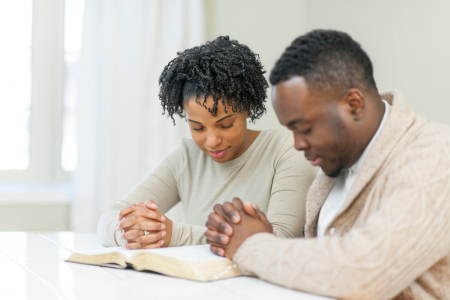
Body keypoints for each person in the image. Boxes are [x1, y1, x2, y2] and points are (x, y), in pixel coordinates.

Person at [205, 30, 450, 299]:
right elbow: (326, 263)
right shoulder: (337, 163)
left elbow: (361, 273)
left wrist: (253, 245)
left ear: (354, 104)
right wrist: (261, 236)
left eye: (306, 128)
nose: (297, 144)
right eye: (291, 130)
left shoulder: (436, 157)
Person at [97, 36, 317, 249]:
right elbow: (110, 217)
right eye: (198, 128)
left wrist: (176, 235)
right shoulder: (186, 157)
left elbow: (279, 240)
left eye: (225, 125)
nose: (212, 142)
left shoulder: (287, 151)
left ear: (247, 107)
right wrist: (127, 231)